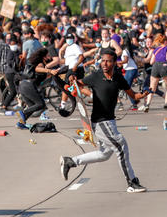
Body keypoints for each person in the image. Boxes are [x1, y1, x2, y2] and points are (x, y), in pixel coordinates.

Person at [60, 48, 149, 193]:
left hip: (110, 122)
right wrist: (76, 83)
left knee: (104, 154)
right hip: (100, 121)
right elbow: (77, 84)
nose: (104, 64)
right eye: (103, 61)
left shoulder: (118, 78)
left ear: (114, 62)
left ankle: (71, 161)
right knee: (121, 145)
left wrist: (143, 94)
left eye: (108, 61)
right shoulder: (96, 76)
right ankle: (132, 182)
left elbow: (133, 95)